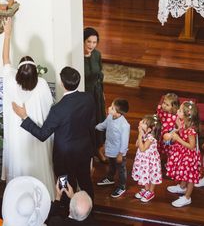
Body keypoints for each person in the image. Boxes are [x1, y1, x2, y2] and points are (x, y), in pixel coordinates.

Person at [13, 66, 96, 199]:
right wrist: (92, 155)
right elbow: (92, 126)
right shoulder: (88, 98)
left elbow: (42, 135)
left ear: (62, 84)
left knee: (64, 187)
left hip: (64, 159)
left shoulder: (58, 110)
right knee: (86, 183)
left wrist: (24, 117)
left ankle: (65, 212)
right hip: (84, 151)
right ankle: (89, 212)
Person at [1, 18, 55, 198]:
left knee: (21, 166)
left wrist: (7, 34)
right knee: (38, 166)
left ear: (18, 74)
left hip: (18, 138)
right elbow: (49, 110)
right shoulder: (41, 85)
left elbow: (5, 59)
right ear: (35, 74)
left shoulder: (10, 82)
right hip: (36, 136)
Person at [166, 101, 201, 207]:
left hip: (189, 155)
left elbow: (192, 146)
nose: (178, 111)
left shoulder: (191, 130)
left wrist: (177, 138)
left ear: (187, 115)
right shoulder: (183, 122)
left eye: (180, 110)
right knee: (184, 172)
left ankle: (187, 197)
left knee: (190, 177)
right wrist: (176, 129)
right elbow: (179, 127)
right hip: (183, 152)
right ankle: (182, 187)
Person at [95, 98, 130, 198]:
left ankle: (122, 186)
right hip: (110, 147)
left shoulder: (124, 125)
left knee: (121, 169)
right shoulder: (110, 116)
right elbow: (104, 125)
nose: (109, 108)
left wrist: (121, 154)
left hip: (119, 152)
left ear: (118, 113)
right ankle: (110, 178)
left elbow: (124, 142)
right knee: (111, 164)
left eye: (112, 108)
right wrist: (95, 127)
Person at [83, 27, 107, 163]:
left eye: (94, 42)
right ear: (83, 41)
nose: (91, 45)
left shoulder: (97, 55)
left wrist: (102, 92)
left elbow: (100, 75)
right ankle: (89, 150)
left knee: (99, 120)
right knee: (88, 122)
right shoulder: (77, 57)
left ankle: (99, 148)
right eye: (88, 42)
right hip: (86, 94)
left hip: (97, 92)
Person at [132, 114, 162, 203]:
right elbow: (137, 144)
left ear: (149, 129)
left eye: (144, 122)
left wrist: (141, 134)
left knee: (152, 175)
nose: (141, 122)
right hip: (143, 160)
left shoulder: (151, 137)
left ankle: (151, 192)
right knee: (144, 174)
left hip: (150, 160)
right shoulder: (145, 134)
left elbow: (142, 148)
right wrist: (140, 134)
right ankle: (146, 189)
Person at [157, 93, 180, 166]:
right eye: (164, 103)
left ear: (173, 107)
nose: (164, 105)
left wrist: (175, 132)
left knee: (169, 150)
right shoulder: (160, 109)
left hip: (169, 135)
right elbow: (158, 117)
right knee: (158, 147)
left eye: (167, 105)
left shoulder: (175, 116)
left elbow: (179, 127)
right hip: (160, 132)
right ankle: (157, 159)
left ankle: (169, 162)